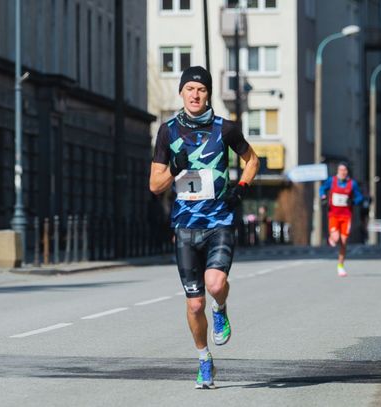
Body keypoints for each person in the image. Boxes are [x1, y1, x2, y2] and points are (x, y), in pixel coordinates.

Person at [149, 66, 259, 389]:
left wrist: (241, 188)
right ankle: (204, 360)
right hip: (185, 226)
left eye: (201, 89)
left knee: (215, 283)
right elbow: (155, 185)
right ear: (181, 93)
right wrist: (174, 169)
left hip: (219, 221)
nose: (195, 95)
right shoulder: (168, 132)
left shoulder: (225, 129)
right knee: (194, 303)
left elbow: (252, 160)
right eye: (190, 89)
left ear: (208, 94)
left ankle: (220, 307)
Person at [320, 163, 364, 277]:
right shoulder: (332, 181)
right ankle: (332, 237)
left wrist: (353, 201)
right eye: (340, 170)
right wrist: (323, 196)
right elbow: (322, 188)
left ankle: (340, 266)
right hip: (333, 215)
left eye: (344, 170)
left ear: (347, 172)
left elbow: (360, 197)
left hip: (346, 216)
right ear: (337, 171)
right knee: (336, 238)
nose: (342, 172)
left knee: (343, 242)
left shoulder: (352, 184)